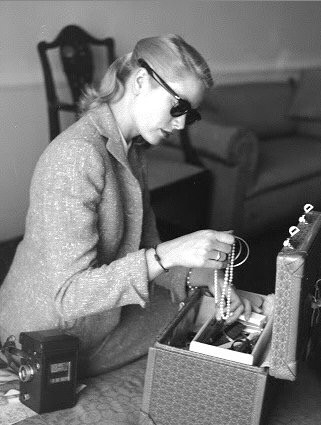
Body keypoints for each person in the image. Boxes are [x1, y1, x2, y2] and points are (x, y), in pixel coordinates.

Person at [0, 34, 257, 377]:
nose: (181, 124)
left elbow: (142, 247)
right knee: (194, 329)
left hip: (96, 315)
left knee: (202, 312)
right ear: (140, 82)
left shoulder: (130, 150)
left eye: (189, 115)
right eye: (177, 107)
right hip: (45, 336)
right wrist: (170, 255)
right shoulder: (77, 156)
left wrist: (204, 277)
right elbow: (67, 295)